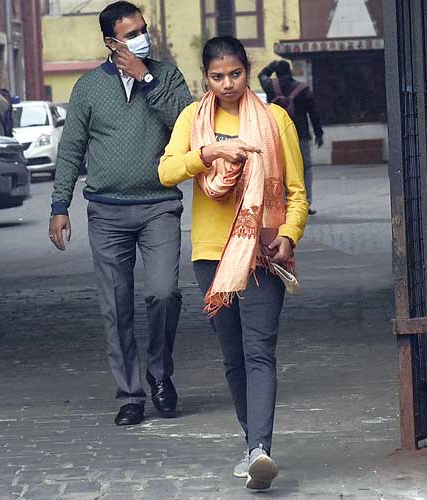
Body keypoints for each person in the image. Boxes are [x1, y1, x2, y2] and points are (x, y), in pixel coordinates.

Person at [159, 36, 308, 491]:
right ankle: (251, 445)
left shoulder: (276, 119)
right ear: (205, 77)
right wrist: (209, 154)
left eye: (236, 74)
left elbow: (297, 193)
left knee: (259, 351)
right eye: (218, 76)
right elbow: (166, 171)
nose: (228, 84)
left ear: (248, 70)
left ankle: (261, 449)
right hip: (211, 256)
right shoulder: (192, 118)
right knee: (233, 358)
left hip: (261, 254)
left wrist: (288, 234)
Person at [48, 1, 193, 427]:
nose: (140, 39)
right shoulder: (89, 88)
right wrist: (59, 206)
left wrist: (145, 78)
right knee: (116, 305)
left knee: (164, 292)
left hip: (159, 207)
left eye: (142, 30)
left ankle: (159, 373)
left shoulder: (165, 77)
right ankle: (131, 394)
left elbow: (185, 121)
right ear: (111, 42)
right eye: (130, 34)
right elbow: (71, 150)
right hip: (107, 212)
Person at [258, 60, 323, 215]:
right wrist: (319, 133)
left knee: (278, 168)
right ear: (290, 72)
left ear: (276, 72)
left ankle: (282, 201)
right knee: (305, 168)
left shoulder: (270, 86)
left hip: (275, 134)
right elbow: (313, 113)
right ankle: (305, 202)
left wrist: (269, 67)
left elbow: (261, 75)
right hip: (301, 134)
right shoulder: (303, 89)